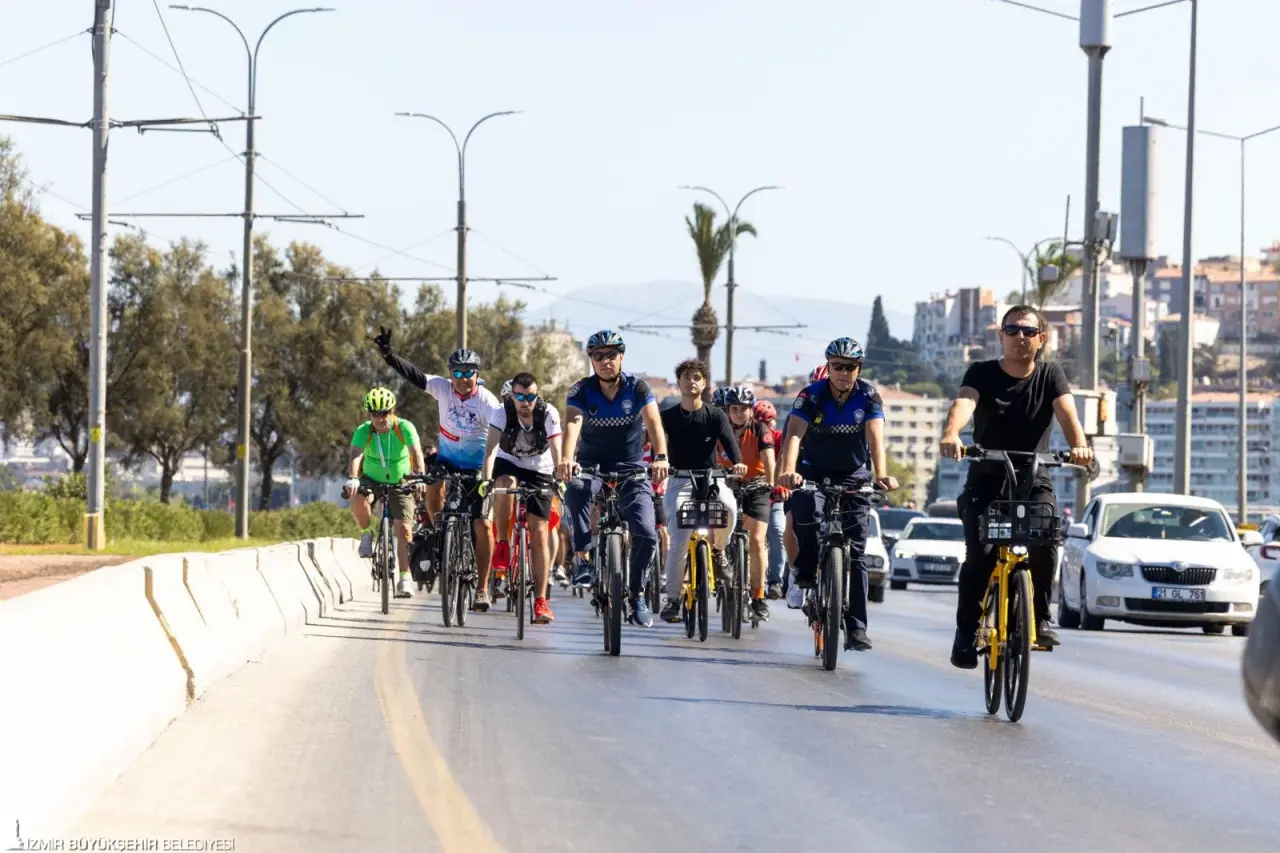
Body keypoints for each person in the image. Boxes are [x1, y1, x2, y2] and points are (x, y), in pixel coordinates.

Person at [939, 305, 1093, 668]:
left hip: (1032, 477)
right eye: (1012, 330)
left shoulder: (1050, 375)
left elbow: (1067, 414)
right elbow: (965, 402)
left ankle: (1039, 616)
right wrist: (951, 435)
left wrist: (1080, 446)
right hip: (986, 479)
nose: (1019, 337)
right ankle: (966, 632)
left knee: (1046, 540)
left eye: (1028, 331)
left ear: (1041, 339)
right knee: (981, 555)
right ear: (1001, 337)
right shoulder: (981, 372)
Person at [777, 337, 896, 651]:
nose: (844, 372)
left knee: (857, 554)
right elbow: (793, 436)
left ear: (859, 369)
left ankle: (856, 628)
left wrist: (882, 475)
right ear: (828, 367)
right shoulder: (810, 396)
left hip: (854, 474)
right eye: (838, 366)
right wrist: (789, 471)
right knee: (803, 510)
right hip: (813, 470)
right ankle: (804, 567)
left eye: (851, 367)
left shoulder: (868, 396)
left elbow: (875, 442)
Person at [373, 327, 502, 611]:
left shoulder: (488, 401)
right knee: (433, 488)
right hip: (447, 460)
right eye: (457, 373)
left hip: (478, 468)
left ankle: (481, 589)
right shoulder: (442, 388)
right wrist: (389, 356)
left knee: (482, 524)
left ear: (477, 375)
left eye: (469, 373)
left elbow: (502, 429)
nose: (463, 379)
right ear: (450, 374)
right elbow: (414, 375)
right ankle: (437, 530)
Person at [558, 329, 670, 627]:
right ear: (591, 361)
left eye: (611, 355)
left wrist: (660, 457)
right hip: (591, 464)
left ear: (622, 357)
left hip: (631, 468)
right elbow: (572, 424)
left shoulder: (639, 387)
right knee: (577, 489)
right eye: (598, 356)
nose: (605, 361)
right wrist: (567, 459)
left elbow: (654, 422)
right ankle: (582, 560)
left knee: (646, 531)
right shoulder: (581, 390)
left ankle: (637, 594)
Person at [657, 360, 746, 623]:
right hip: (679, 481)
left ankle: (719, 551)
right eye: (686, 376)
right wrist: (658, 461)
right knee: (679, 538)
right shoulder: (668, 417)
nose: (691, 381)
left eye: (697, 377)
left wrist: (738, 462)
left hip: (712, 479)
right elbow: (656, 444)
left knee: (730, 508)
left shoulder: (715, 415)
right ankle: (672, 599)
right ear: (679, 382)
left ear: (705, 383)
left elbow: (730, 442)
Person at [481, 371, 562, 625]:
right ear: (512, 396)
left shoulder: (548, 413)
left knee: (539, 532)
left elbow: (558, 449)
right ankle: (503, 543)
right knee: (505, 485)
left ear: (537, 396)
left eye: (530, 397)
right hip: (509, 462)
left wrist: (560, 478)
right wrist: (486, 479)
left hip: (541, 468)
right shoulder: (500, 412)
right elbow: (491, 449)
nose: (525, 403)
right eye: (519, 397)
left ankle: (540, 600)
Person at [342, 387, 427, 599]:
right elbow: (355, 454)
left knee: (404, 529)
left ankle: (404, 578)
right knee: (358, 497)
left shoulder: (404, 427)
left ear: (393, 411)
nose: (381, 418)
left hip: (401, 480)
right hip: (372, 479)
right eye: (375, 414)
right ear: (369, 415)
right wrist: (353, 477)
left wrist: (420, 476)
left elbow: (416, 452)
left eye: (385, 413)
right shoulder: (364, 431)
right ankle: (367, 533)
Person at [717, 385, 776, 621]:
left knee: (758, 541)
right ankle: (719, 558)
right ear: (727, 410)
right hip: (727, 484)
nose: (739, 413)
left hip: (757, 486)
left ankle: (759, 597)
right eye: (734, 409)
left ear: (751, 411)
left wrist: (771, 484)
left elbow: (769, 459)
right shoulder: (721, 429)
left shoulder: (760, 430)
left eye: (743, 409)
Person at [753, 399, 787, 600]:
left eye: (769, 422)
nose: (766, 428)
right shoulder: (748, 436)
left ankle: (775, 581)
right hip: (750, 494)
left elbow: (786, 463)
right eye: (760, 423)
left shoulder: (780, 439)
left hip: (773, 498)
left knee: (777, 532)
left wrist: (782, 485)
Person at [643, 429, 671, 584]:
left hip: (661, 494)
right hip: (643, 495)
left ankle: (666, 573)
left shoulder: (664, 452)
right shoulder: (640, 452)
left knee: (666, 534)